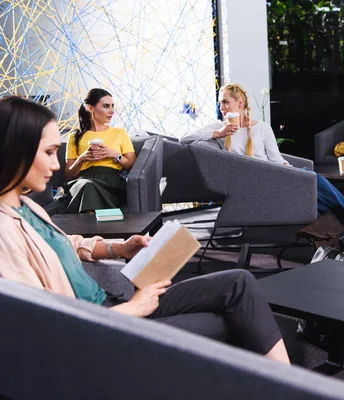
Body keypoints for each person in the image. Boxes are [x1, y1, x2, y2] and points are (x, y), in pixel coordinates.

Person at [0, 96, 290, 364]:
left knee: (238, 282)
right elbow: (40, 324)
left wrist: (120, 247)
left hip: (111, 304)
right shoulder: (3, 231)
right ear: (16, 150)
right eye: (50, 152)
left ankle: (288, 384)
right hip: (101, 329)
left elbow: (67, 243)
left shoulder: (27, 206)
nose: (55, 163)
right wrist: (135, 308)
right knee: (229, 324)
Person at [180, 83, 344, 225]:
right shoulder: (218, 128)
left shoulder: (262, 127)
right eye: (220, 103)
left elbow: (276, 159)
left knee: (309, 186)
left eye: (226, 102)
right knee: (311, 180)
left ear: (239, 103)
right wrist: (218, 133)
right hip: (249, 184)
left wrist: (290, 170)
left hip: (272, 176)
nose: (222, 107)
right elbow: (184, 139)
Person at [63, 88, 136, 213]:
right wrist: (81, 158)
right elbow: (68, 175)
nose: (111, 111)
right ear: (90, 108)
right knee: (87, 186)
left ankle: (87, 229)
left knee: (89, 187)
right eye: (106, 106)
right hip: (82, 180)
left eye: (112, 106)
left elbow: (132, 167)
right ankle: (92, 229)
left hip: (111, 182)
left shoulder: (120, 133)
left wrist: (114, 155)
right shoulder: (75, 136)